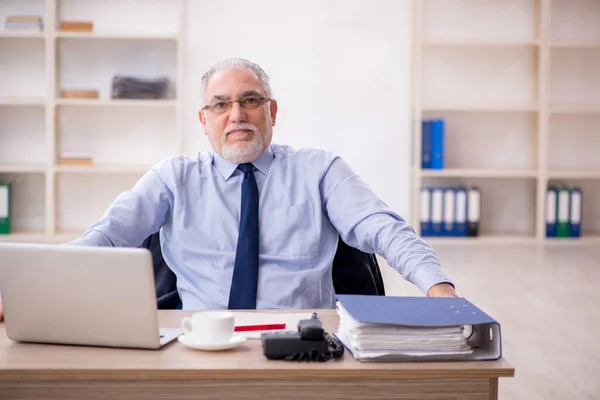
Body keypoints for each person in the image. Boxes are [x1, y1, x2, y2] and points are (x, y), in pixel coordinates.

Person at [0, 58, 455, 321]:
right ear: (205, 120)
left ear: (272, 111)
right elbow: (107, 236)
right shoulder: (172, 177)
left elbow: (383, 228)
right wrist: (35, 291)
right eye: (220, 104)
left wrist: (440, 292)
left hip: (302, 344)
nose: (236, 114)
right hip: (201, 344)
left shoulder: (320, 169)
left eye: (250, 100)